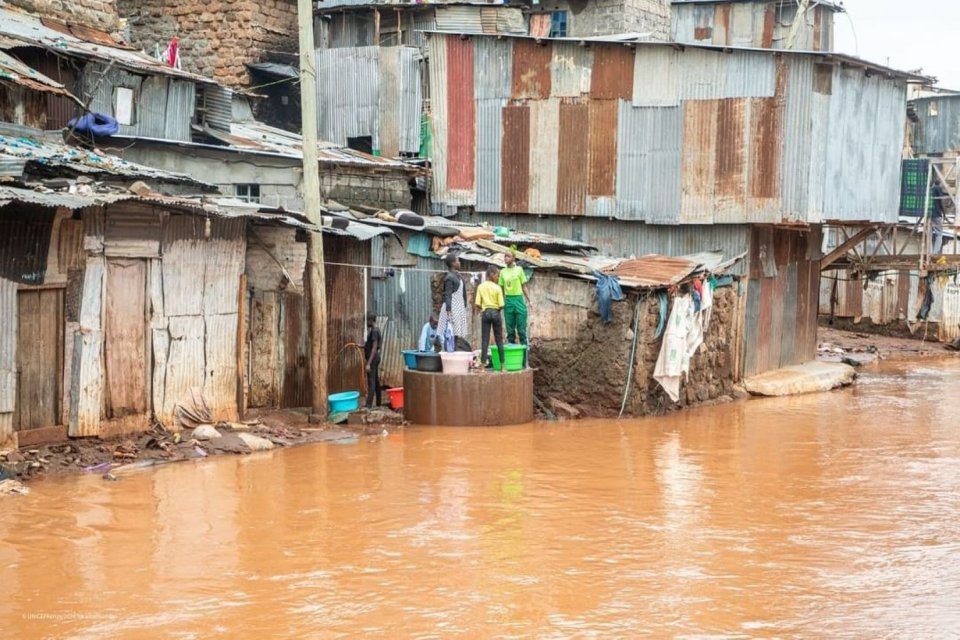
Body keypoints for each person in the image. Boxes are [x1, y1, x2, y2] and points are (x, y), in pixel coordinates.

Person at [437, 253, 469, 351]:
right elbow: (448, 294)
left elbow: (463, 294)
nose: (459, 262)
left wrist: (464, 306)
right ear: (452, 264)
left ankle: (454, 352)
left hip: (458, 307)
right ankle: (449, 352)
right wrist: (448, 310)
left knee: (456, 334)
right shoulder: (449, 277)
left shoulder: (458, 276)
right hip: (452, 307)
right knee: (450, 333)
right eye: (457, 261)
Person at [475, 265, 505, 370]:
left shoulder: (480, 287)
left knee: (485, 340)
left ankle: (482, 367)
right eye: (497, 275)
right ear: (491, 275)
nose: (498, 278)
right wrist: (496, 312)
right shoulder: (498, 288)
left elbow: (478, 304)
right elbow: (501, 305)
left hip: (486, 313)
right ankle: (503, 367)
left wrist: (484, 310)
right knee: (499, 340)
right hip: (496, 313)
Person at [499, 252, 531, 349]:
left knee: (521, 330)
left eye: (508, 256)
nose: (505, 258)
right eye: (505, 256)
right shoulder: (502, 272)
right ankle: (512, 357)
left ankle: (525, 359)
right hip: (508, 301)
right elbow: (501, 289)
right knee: (510, 331)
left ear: (513, 258)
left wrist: (529, 300)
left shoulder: (519, 270)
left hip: (519, 300)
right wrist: (501, 303)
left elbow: (524, 286)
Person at [364, 312, 382, 409]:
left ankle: (368, 405)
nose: (367, 322)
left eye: (368, 320)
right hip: (375, 358)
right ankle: (379, 402)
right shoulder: (376, 330)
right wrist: (364, 346)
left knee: (371, 382)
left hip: (373, 359)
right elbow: (372, 345)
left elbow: (374, 348)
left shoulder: (374, 331)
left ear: (371, 321)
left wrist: (368, 363)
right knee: (376, 380)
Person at [931, 178, 947, 255]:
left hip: (929, 214)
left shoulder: (931, 189)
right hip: (936, 214)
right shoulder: (938, 188)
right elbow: (941, 201)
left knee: (929, 232)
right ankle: (935, 252)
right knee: (939, 234)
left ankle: (930, 252)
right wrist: (944, 214)